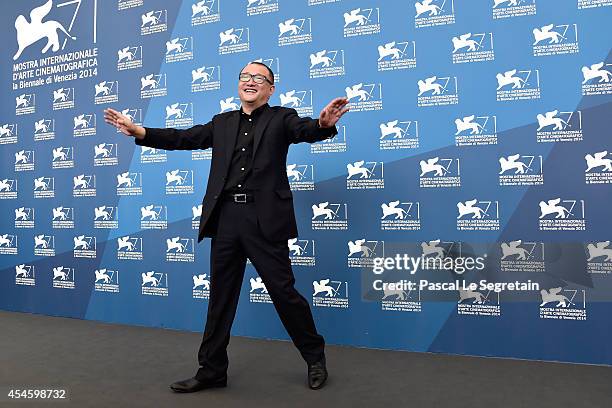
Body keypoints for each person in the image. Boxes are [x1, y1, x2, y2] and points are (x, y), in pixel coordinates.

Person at [103, 61, 349, 392]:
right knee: (220, 298)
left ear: (270, 89)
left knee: (284, 293)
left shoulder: (282, 118)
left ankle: (314, 357)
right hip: (226, 219)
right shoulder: (222, 123)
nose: (250, 82)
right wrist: (140, 132)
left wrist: (322, 125)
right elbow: (184, 137)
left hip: (264, 222)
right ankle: (212, 369)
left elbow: (306, 129)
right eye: (245, 77)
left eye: (259, 78)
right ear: (238, 84)